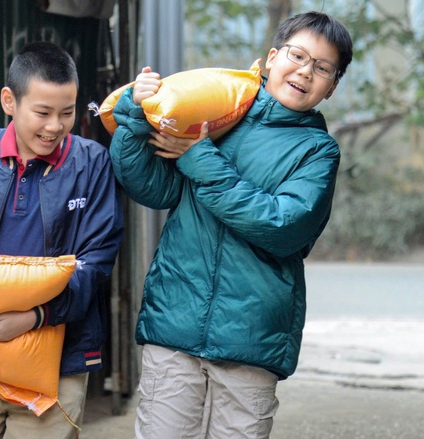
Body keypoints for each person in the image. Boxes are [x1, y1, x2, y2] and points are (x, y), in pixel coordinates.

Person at [109, 11, 353, 439]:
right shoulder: (218, 115)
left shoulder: (318, 152)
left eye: (322, 67)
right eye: (297, 56)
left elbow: (283, 227)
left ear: (331, 87)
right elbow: (153, 188)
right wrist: (134, 114)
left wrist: (200, 159)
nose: (304, 71)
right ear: (272, 57)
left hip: (251, 341)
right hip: (175, 322)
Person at [0, 41, 124, 439]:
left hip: (59, 363)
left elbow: (96, 260)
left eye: (67, 113)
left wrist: (35, 317)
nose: (55, 126)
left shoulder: (91, 162)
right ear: (9, 101)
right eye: (42, 112)